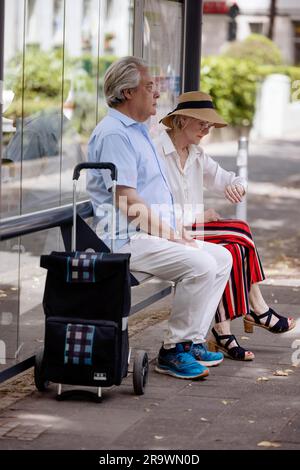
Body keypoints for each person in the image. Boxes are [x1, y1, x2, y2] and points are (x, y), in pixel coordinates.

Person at [87, 57, 233, 380]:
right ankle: (172, 351)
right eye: (149, 87)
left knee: (222, 258)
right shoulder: (115, 134)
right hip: (125, 239)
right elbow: (127, 200)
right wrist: (171, 234)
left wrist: (172, 229)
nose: (156, 94)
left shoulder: (138, 131)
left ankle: (191, 340)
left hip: (148, 233)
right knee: (202, 264)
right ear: (127, 92)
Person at [155, 91, 296, 361]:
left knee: (232, 246)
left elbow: (231, 179)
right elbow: (151, 207)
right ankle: (257, 310)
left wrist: (235, 186)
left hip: (190, 227)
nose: (207, 130)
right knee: (239, 231)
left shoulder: (196, 153)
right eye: (202, 124)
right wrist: (198, 213)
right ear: (183, 120)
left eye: (210, 125)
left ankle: (223, 331)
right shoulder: (157, 152)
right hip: (166, 229)